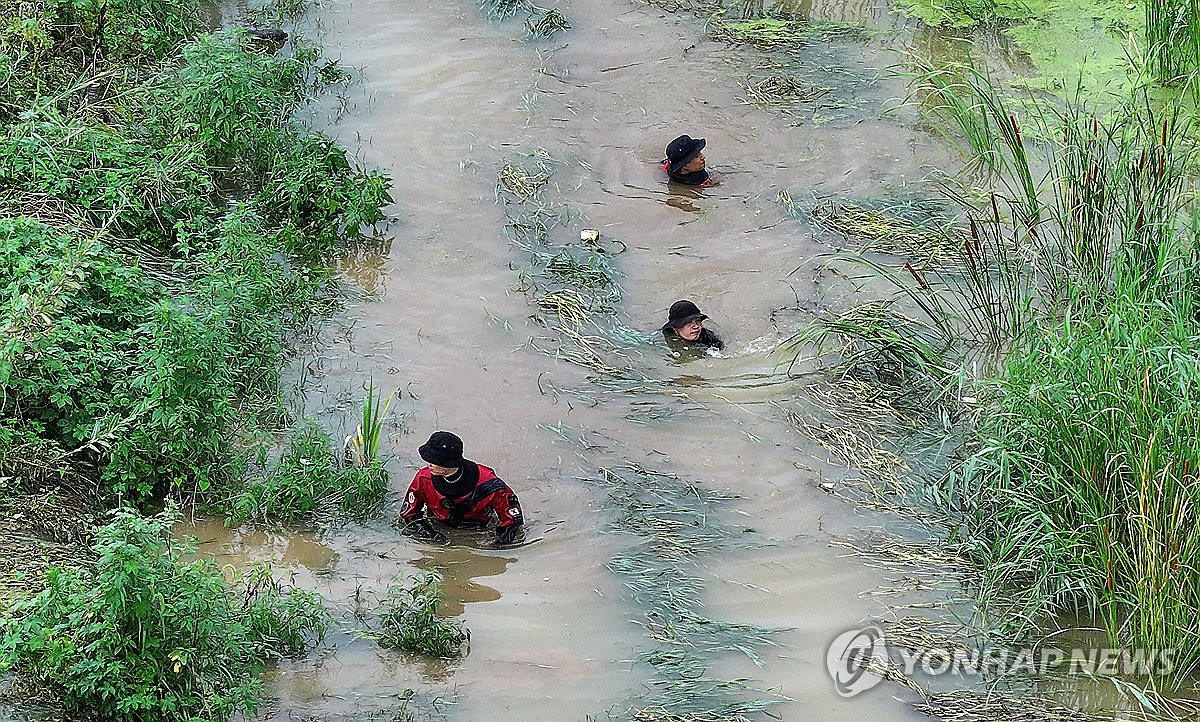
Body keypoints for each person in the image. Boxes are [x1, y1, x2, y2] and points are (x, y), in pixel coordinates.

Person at [399, 431, 525, 547]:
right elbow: (409, 514)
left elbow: (512, 521)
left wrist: (497, 548)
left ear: (449, 463)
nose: (428, 464)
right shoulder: (423, 478)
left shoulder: (490, 485)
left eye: (433, 461)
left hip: (477, 528)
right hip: (438, 524)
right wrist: (430, 535)